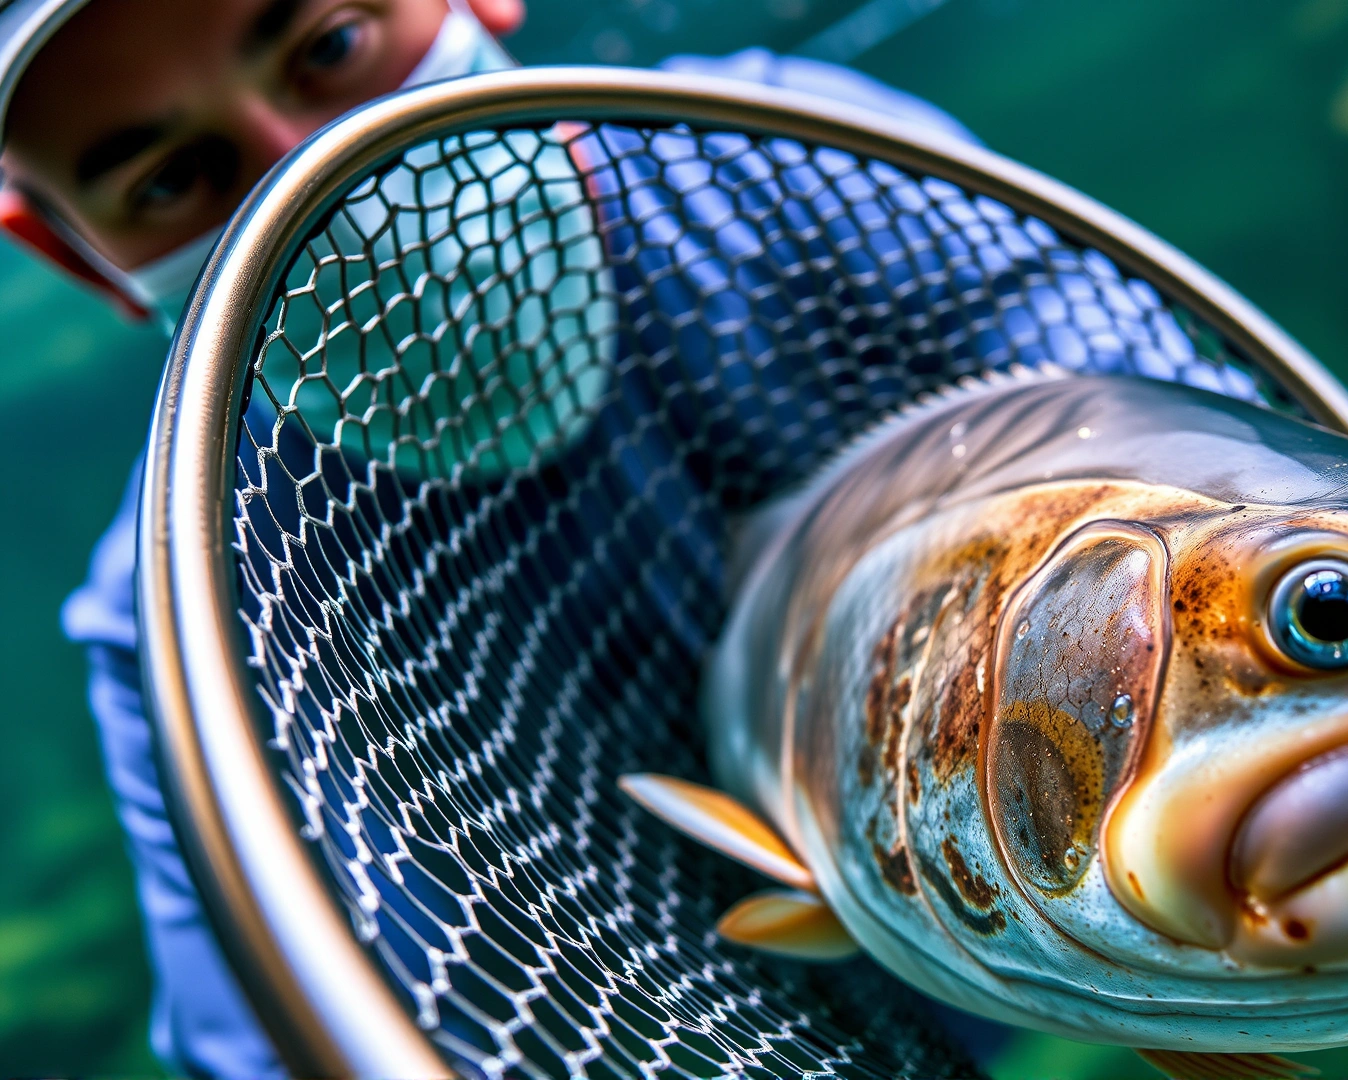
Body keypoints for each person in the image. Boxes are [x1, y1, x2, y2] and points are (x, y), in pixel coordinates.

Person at [0, 1, 974, 1074]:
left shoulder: (813, 160)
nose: (310, 176)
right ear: (76, 256)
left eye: (330, 46)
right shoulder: (182, 635)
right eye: (170, 180)